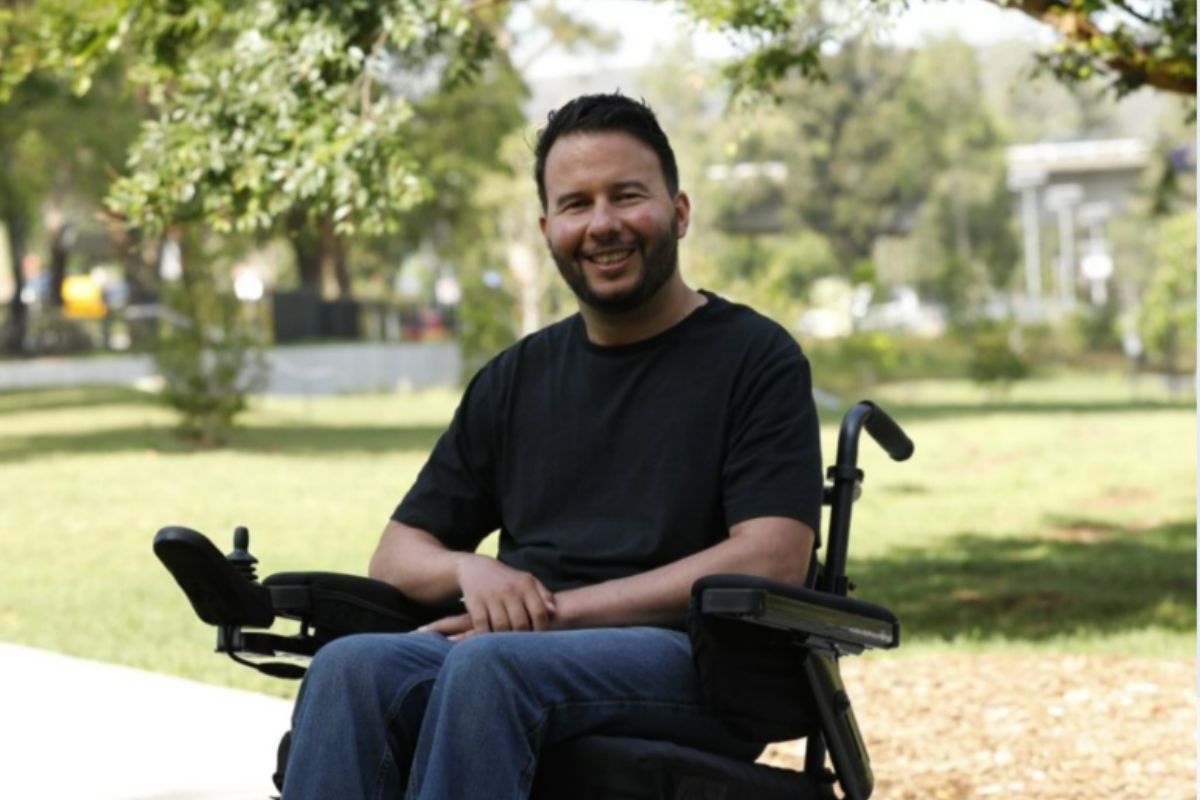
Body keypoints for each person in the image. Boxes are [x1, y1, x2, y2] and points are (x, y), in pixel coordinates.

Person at [281, 92, 824, 800]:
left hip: (696, 659)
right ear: (547, 228)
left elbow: (773, 555)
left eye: (627, 196)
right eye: (576, 204)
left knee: (489, 668)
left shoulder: (755, 358)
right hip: (516, 650)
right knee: (349, 667)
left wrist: (554, 617)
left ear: (679, 211)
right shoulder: (516, 378)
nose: (602, 225)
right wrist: (473, 574)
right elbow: (396, 557)